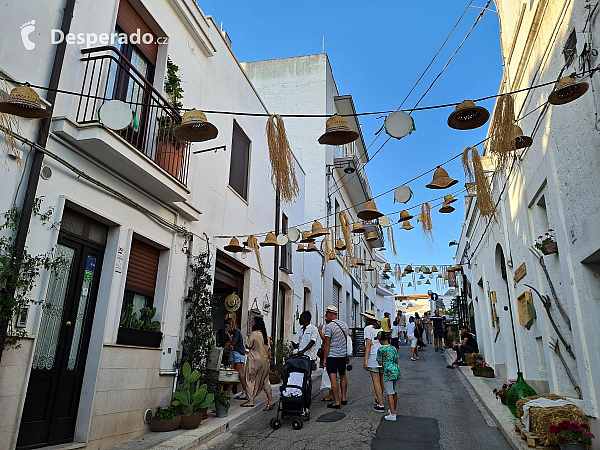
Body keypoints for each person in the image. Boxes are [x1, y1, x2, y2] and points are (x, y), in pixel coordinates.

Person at [241, 317, 276, 409]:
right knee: (265, 381)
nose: (252, 323)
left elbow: (248, 345)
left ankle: (250, 400)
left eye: (253, 322)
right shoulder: (266, 336)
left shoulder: (254, 334)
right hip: (265, 361)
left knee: (249, 380)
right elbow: (268, 348)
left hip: (254, 360)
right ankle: (270, 400)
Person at [323, 305, 349, 409]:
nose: (326, 317)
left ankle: (336, 401)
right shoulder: (344, 325)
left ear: (330, 315)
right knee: (343, 375)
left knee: (333, 378)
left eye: (326, 315)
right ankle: (343, 398)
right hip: (342, 354)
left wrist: (325, 358)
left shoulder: (329, 326)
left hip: (332, 355)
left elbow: (327, 344)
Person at [362, 310, 385, 412]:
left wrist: (365, 360)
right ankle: (380, 399)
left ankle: (381, 404)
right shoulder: (380, 328)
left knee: (375, 381)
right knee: (381, 380)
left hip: (373, 355)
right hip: (382, 355)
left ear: (367, 318)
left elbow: (368, 344)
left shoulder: (367, 329)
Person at [376, 331, 401, 422]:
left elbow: (380, 362)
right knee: (395, 392)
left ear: (381, 340)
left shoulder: (381, 349)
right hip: (396, 371)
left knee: (390, 392)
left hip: (388, 372)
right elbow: (396, 359)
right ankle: (394, 409)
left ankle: (393, 415)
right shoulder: (393, 348)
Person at [224, 318, 248, 398]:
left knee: (238, 372)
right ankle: (229, 391)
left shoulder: (237, 331)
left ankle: (245, 391)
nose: (226, 327)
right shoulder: (232, 332)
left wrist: (228, 336)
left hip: (238, 353)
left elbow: (234, 342)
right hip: (232, 352)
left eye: (227, 326)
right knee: (232, 371)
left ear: (230, 325)